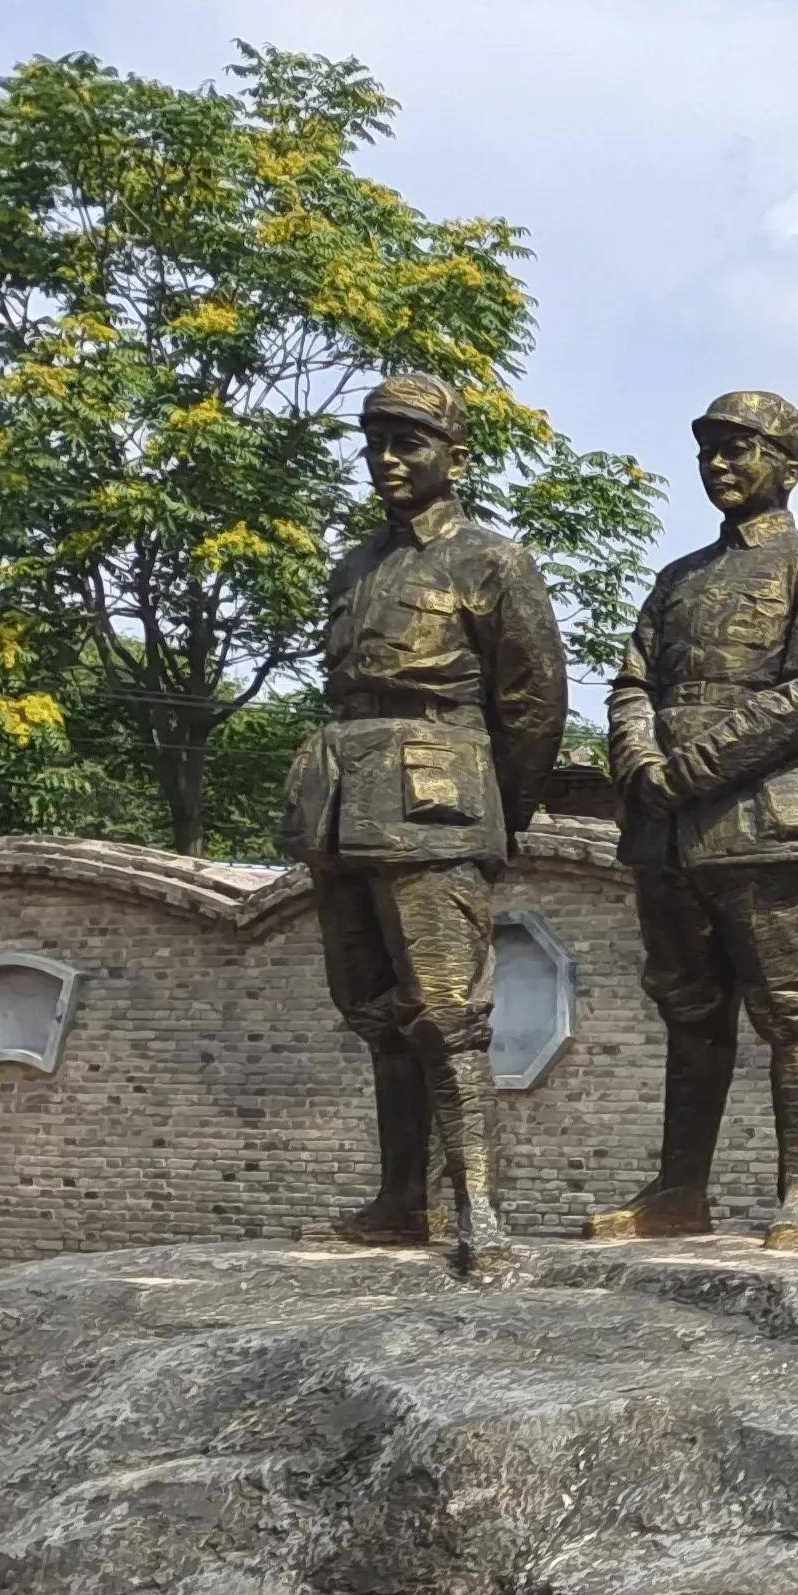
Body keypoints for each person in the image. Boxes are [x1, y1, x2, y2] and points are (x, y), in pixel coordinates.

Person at [281, 373, 567, 1274]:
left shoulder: (493, 561)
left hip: (438, 795)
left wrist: (492, 807)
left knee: (448, 1013)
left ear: (455, 456)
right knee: (376, 1011)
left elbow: (533, 703)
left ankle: (478, 1207)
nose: (389, 459)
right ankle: (402, 1197)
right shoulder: (355, 564)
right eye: (377, 442)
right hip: (342, 797)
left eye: (409, 443)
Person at [590, 390, 798, 1252]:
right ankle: (680, 1192)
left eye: (739, 449)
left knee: (797, 1009)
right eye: (709, 448)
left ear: (787, 466)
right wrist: (640, 759)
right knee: (687, 1006)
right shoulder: (675, 579)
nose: (719, 463)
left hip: (768, 820)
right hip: (667, 829)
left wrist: (693, 768)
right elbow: (633, 681)